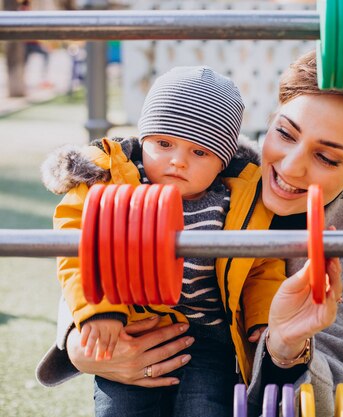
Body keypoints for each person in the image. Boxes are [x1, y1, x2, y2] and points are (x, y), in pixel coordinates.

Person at [36, 51, 343, 416]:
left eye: (327, 158)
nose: (292, 168)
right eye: (285, 133)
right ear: (272, 117)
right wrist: (76, 342)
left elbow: (334, 398)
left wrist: (283, 347)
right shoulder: (221, 170)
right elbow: (92, 242)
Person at [39, 66, 285, 417]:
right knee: (120, 410)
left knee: (207, 409)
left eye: (200, 152)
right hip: (129, 325)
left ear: (223, 162)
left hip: (211, 337)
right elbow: (77, 246)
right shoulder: (110, 181)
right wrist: (100, 310)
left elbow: (262, 265)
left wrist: (263, 319)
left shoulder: (240, 200)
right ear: (144, 140)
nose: (177, 161)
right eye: (164, 143)